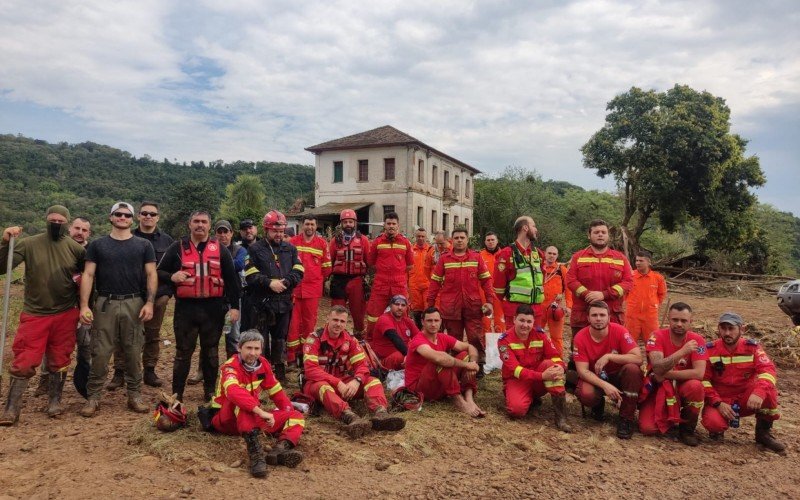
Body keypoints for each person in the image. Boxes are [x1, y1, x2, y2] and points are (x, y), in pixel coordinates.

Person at [0, 205, 85, 425]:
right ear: (46, 219)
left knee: (60, 358)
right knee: (25, 360)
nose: (56, 223)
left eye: (60, 220)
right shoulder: (28, 243)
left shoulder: (75, 249)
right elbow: (2, 267)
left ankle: (55, 401)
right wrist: (4, 243)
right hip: (35, 313)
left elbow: (89, 276)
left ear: (66, 222)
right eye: (52, 219)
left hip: (66, 312)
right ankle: (11, 409)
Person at [78, 202, 157, 417]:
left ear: (132, 219)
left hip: (134, 303)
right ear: (111, 217)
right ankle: (93, 397)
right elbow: (88, 275)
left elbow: (151, 274)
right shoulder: (97, 245)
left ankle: (134, 395)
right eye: (118, 214)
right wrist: (84, 305)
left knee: (133, 351)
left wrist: (149, 302)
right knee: (100, 352)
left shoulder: (143, 245)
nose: (122, 217)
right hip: (106, 302)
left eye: (126, 215)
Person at [156, 210, 241, 403]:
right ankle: (177, 394)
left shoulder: (220, 249)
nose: (200, 225)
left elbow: (231, 280)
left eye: (204, 222)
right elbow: (158, 270)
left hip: (213, 308)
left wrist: (234, 307)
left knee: (211, 351)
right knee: (183, 352)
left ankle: (210, 392)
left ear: (209, 226)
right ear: (190, 224)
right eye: (196, 221)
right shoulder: (177, 247)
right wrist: (172, 276)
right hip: (186, 308)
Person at [205, 330, 305, 478]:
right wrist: (260, 412)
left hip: (251, 419)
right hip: (226, 419)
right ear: (239, 348)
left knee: (296, 415)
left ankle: (279, 450)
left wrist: (286, 411)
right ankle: (256, 456)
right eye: (249, 348)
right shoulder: (230, 367)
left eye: (257, 349)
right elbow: (233, 392)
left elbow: (276, 391)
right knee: (241, 401)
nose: (253, 353)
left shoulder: (263, 364)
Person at [302, 306, 406, 438]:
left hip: (343, 384)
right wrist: (337, 382)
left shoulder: (350, 340)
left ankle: (381, 414)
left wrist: (357, 380)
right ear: (327, 318)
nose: (338, 324)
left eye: (342, 321)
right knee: (323, 387)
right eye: (335, 320)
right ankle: (350, 417)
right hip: (317, 384)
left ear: (346, 323)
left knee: (373, 381)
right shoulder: (313, 339)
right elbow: (311, 371)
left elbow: (362, 365)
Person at [106, 202, 174, 390]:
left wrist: (167, 294)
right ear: (138, 216)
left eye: (152, 214)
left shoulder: (167, 241)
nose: (148, 216)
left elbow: (174, 269)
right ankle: (119, 372)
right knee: (122, 335)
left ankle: (150, 371)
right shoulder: (127, 236)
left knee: (152, 335)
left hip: (158, 297)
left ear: (158, 217)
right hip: (129, 295)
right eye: (144, 213)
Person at [701, 312, 785, 453]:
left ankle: (763, 434)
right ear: (718, 329)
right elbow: (703, 380)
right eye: (723, 328)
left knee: (768, 391)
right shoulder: (710, 350)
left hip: (746, 399)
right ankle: (717, 431)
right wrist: (717, 403)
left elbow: (768, 371)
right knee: (713, 423)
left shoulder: (752, 348)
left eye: (731, 328)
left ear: (742, 329)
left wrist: (759, 393)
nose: (727, 333)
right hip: (721, 400)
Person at [34, 216, 93, 397]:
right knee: (53, 346)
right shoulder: (58, 249)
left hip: (85, 308)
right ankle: (45, 381)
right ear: (69, 229)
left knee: (86, 346)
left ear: (88, 234)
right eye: (77, 228)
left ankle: (85, 382)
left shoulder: (92, 252)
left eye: (84, 230)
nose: (79, 233)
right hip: (58, 306)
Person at [244, 210, 303, 382]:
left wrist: (285, 282)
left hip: (284, 302)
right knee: (261, 338)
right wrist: (269, 283)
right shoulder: (255, 249)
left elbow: (299, 270)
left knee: (280, 338)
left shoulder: (290, 249)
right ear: (266, 230)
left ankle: (280, 373)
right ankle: (260, 373)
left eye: (281, 231)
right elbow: (250, 273)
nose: (278, 234)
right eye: (274, 231)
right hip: (262, 303)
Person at [426, 227, 494, 373]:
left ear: (467, 240)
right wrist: (430, 306)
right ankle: (456, 367)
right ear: (452, 240)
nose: (459, 240)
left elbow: (486, 281)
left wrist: (489, 301)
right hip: (450, 308)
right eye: (456, 238)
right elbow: (435, 283)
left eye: (462, 238)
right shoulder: (444, 258)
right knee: (453, 339)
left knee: (475, 337)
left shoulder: (476, 257)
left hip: (473, 306)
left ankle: (479, 366)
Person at [638, 302, 706, 446]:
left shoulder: (698, 340)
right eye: (675, 320)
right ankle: (669, 417)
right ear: (669, 319)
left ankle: (687, 430)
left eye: (683, 320)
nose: (679, 324)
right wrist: (682, 352)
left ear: (690, 322)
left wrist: (666, 374)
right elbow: (657, 368)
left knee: (696, 386)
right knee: (648, 429)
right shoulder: (656, 336)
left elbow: (699, 373)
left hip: (683, 387)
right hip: (659, 387)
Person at [572, 301, 642, 439]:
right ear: (588, 318)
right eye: (595, 315)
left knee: (633, 370)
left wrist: (610, 356)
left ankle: (626, 418)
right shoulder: (580, 337)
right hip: (596, 378)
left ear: (609, 317)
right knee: (587, 394)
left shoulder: (620, 331)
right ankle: (597, 403)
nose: (598, 318)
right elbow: (582, 371)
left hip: (618, 376)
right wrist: (605, 386)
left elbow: (638, 358)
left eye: (602, 315)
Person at [499, 305, 570, 431]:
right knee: (516, 411)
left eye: (529, 321)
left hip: (538, 378)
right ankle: (529, 398)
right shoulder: (504, 340)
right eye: (521, 320)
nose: (525, 325)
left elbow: (555, 356)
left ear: (533, 322)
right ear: (514, 319)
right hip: (518, 379)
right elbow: (515, 370)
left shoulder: (540, 334)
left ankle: (561, 417)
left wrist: (560, 367)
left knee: (551, 365)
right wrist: (542, 376)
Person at [404, 307, 484, 417]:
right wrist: (467, 365)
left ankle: (469, 397)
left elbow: (470, 346)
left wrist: (473, 363)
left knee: (465, 355)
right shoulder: (418, 340)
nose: (433, 324)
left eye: (436, 321)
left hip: (438, 384)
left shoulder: (442, 337)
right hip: (420, 389)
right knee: (442, 360)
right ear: (422, 322)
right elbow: (439, 359)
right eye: (429, 321)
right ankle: (459, 401)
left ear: (441, 321)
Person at [566, 219, 633, 336]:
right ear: (589, 235)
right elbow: (571, 280)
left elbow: (628, 282)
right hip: (583, 316)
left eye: (603, 232)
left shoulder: (620, 258)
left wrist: (604, 294)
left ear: (608, 235)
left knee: (612, 352)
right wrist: (587, 294)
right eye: (596, 232)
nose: (600, 234)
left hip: (612, 316)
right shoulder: (578, 257)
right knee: (581, 352)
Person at [287, 215, 331, 364]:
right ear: (302, 225)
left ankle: (306, 353)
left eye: (312, 224)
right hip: (294, 289)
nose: (309, 227)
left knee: (309, 323)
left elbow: (326, 269)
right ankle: (292, 356)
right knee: (293, 323)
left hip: (312, 290)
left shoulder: (322, 244)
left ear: (316, 225)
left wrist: (315, 280)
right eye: (307, 224)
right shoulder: (293, 242)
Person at [365, 212, 413, 336]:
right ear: (384, 225)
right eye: (388, 223)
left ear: (398, 225)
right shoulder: (377, 242)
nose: (391, 226)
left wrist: (397, 274)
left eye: (393, 224)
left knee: (402, 313)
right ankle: (372, 341)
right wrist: (383, 272)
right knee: (373, 315)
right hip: (380, 285)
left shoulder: (405, 243)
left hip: (399, 286)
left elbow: (409, 265)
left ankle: (402, 340)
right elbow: (371, 262)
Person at [493, 216, 546, 329]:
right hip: (515, 311)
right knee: (515, 344)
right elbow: (498, 288)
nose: (536, 229)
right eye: (534, 226)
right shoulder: (506, 254)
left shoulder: (539, 254)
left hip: (536, 311)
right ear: (525, 228)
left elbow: (542, 281)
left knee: (535, 344)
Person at [329, 209, 370, 336]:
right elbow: (329, 261)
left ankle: (359, 339)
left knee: (358, 314)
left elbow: (368, 261)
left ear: (355, 223)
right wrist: (326, 280)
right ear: (341, 223)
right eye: (345, 222)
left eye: (350, 222)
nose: (348, 224)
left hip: (356, 280)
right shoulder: (335, 241)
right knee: (337, 312)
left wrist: (368, 280)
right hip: (338, 281)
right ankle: (337, 338)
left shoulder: (363, 240)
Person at [624, 250, 667, 345]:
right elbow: (624, 293)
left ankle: (652, 360)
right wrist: (632, 304)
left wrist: (652, 305)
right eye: (636, 261)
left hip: (650, 317)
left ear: (649, 262)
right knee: (629, 344)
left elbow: (661, 294)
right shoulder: (630, 276)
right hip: (632, 316)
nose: (637, 263)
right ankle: (630, 360)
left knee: (652, 344)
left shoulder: (658, 278)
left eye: (641, 261)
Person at [370, 295, 420, 370]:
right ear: (390, 305)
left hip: (403, 354)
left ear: (406, 307)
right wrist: (409, 354)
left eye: (403, 305)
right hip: (384, 361)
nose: (400, 308)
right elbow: (395, 338)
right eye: (397, 304)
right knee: (400, 356)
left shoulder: (407, 321)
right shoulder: (384, 319)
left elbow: (419, 338)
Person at [541, 246, 571, 356]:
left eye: (554, 254)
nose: (552, 255)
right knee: (536, 335)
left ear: (557, 256)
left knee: (557, 337)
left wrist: (568, 306)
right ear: (545, 253)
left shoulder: (561, 269)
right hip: (539, 307)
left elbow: (568, 289)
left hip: (555, 308)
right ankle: (536, 360)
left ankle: (558, 361)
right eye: (549, 253)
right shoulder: (539, 267)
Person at [479, 232, 506, 334]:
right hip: (484, 294)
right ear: (485, 242)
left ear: (497, 241)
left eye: (492, 240)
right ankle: (486, 348)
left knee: (500, 322)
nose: (490, 242)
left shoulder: (504, 254)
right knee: (485, 322)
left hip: (500, 293)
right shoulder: (479, 256)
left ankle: (501, 347)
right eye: (488, 240)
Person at [408, 227, 430, 328]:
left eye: (423, 236)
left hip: (428, 286)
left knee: (428, 310)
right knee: (416, 311)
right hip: (414, 286)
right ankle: (418, 333)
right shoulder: (410, 251)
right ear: (415, 237)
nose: (420, 238)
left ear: (426, 237)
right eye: (418, 236)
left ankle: (429, 335)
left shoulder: (431, 251)